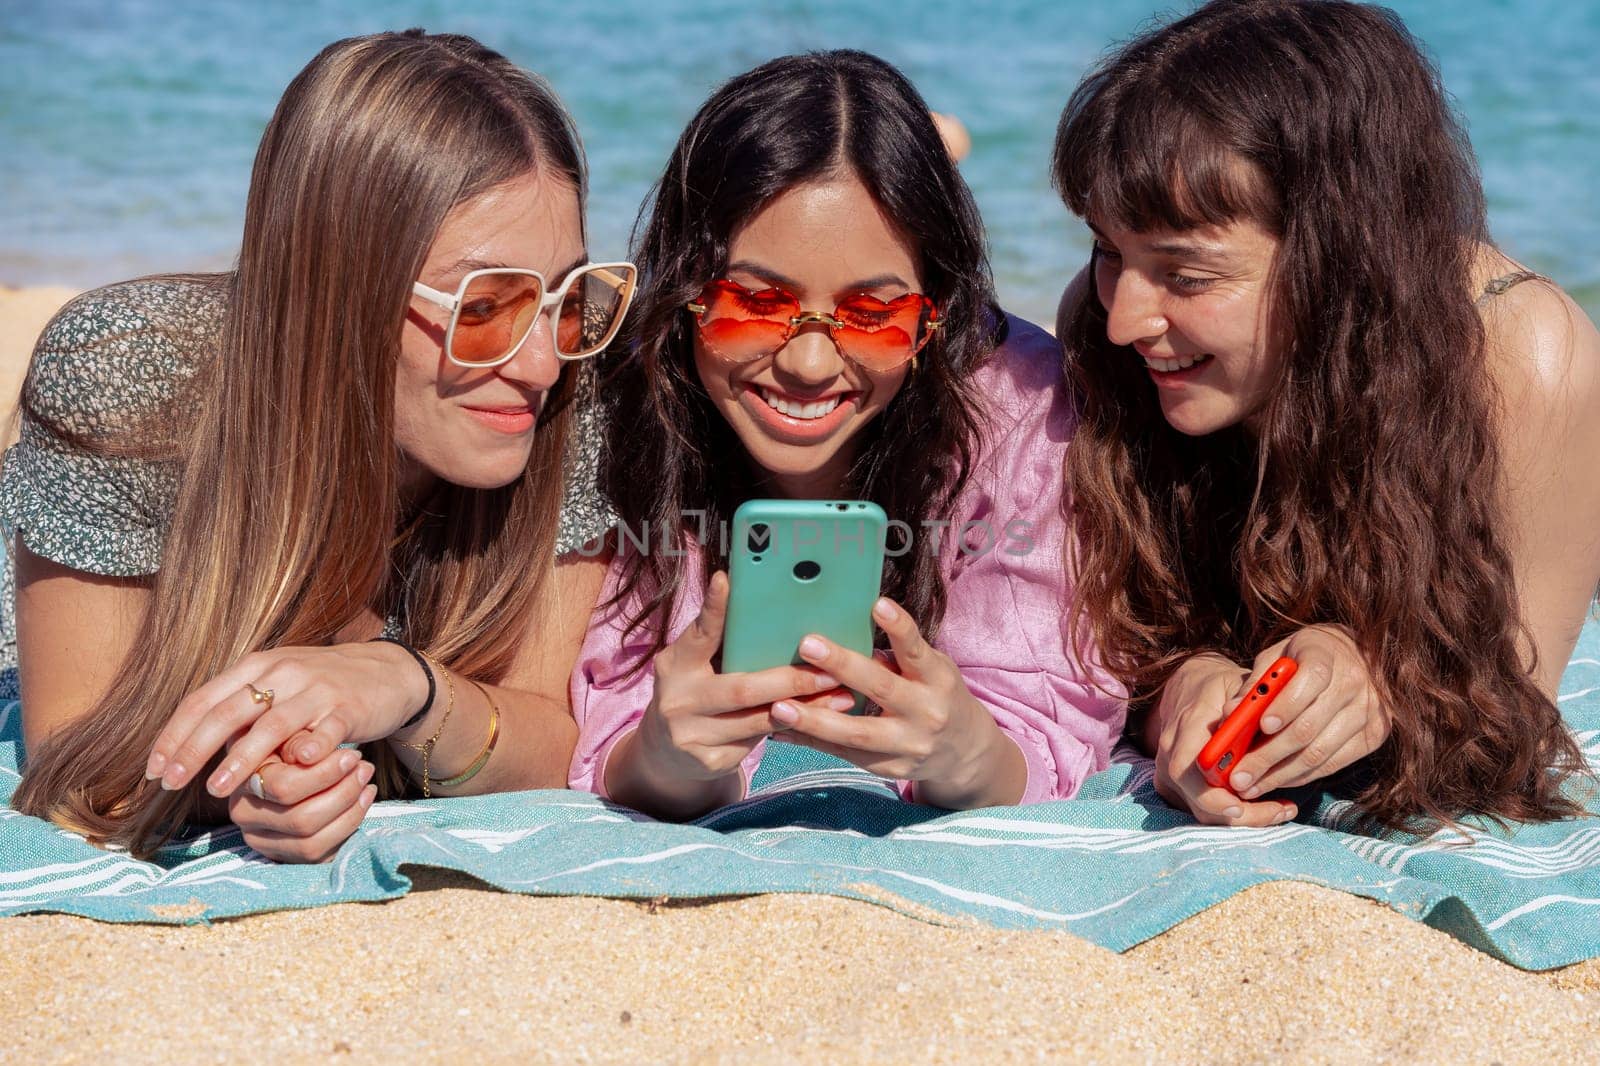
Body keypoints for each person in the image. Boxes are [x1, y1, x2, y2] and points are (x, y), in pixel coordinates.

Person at [7, 30, 635, 860]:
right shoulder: (125, 373)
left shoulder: (577, 394)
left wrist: (404, 686)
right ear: (345, 287)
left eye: (565, 295)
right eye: (486, 306)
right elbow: (72, 760)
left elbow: (552, 744)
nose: (544, 360)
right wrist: (250, 783)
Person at [1049, 0, 1600, 829]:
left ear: (1341, 252)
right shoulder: (1106, 327)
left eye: (1188, 276)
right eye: (1106, 250)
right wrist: (1184, 693)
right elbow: (1111, 629)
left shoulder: (1524, 354)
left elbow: (1514, 716)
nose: (1127, 320)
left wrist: (1376, 675)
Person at [569, 50, 1124, 821]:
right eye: (756, 301)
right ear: (687, 288)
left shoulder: (1022, 407)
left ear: (938, 313)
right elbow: (608, 731)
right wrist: (665, 757)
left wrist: (966, 751)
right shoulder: (632, 400)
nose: (806, 362)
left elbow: (1043, 732)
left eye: (873, 315)